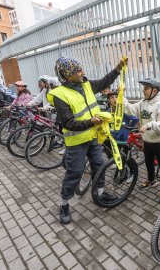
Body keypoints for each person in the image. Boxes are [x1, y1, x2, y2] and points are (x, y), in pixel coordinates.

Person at [46, 56, 127, 225]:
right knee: (75, 172)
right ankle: (64, 204)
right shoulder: (60, 95)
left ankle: (100, 191)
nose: (82, 72)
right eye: (77, 71)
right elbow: (68, 123)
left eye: (80, 69)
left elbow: (105, 81)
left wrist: (118, 68)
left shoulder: (86, 84)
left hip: (94, 136)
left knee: (100, 163)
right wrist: (91, 122)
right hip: (76, 141)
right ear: (67, 75)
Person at [122, 78, 160, 202]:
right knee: (148, 162)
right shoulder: (143, 102)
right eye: (144, 88)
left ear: (154, 91)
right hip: (148, 140)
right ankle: (152, 180)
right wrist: (121, 97)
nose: (143, 91)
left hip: (159, 141)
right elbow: (130, 109)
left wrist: (149, 125)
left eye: (146, 88)